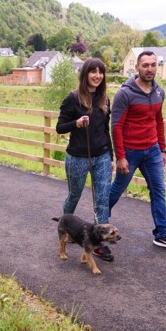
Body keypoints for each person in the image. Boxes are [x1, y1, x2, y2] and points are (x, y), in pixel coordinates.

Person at [109, 51, 166, 250]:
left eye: (153, 65)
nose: (149, 69)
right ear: (137, 68)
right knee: (117, 189)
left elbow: (158, 121)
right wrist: (121, 156)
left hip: (153, 151)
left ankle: (162, 234)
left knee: (158, 191)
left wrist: (163, 149)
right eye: (145, 65)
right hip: (130, 152)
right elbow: (116, 127)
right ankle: (99, 223)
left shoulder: (159, 92)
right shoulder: (125, 94)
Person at [56, 58, 115, 261]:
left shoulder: (105, 99)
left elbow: (106, 130)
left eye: (101, 72)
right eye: (93, 72)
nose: (97, 75)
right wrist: (77, 123)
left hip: (102, 157)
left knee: (102, 200)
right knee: (74, 196)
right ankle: (64, 228)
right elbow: (60, 127)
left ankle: (100, 243)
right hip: (77, 157)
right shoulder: (72, 98)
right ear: (85, 74)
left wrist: (111, 156)